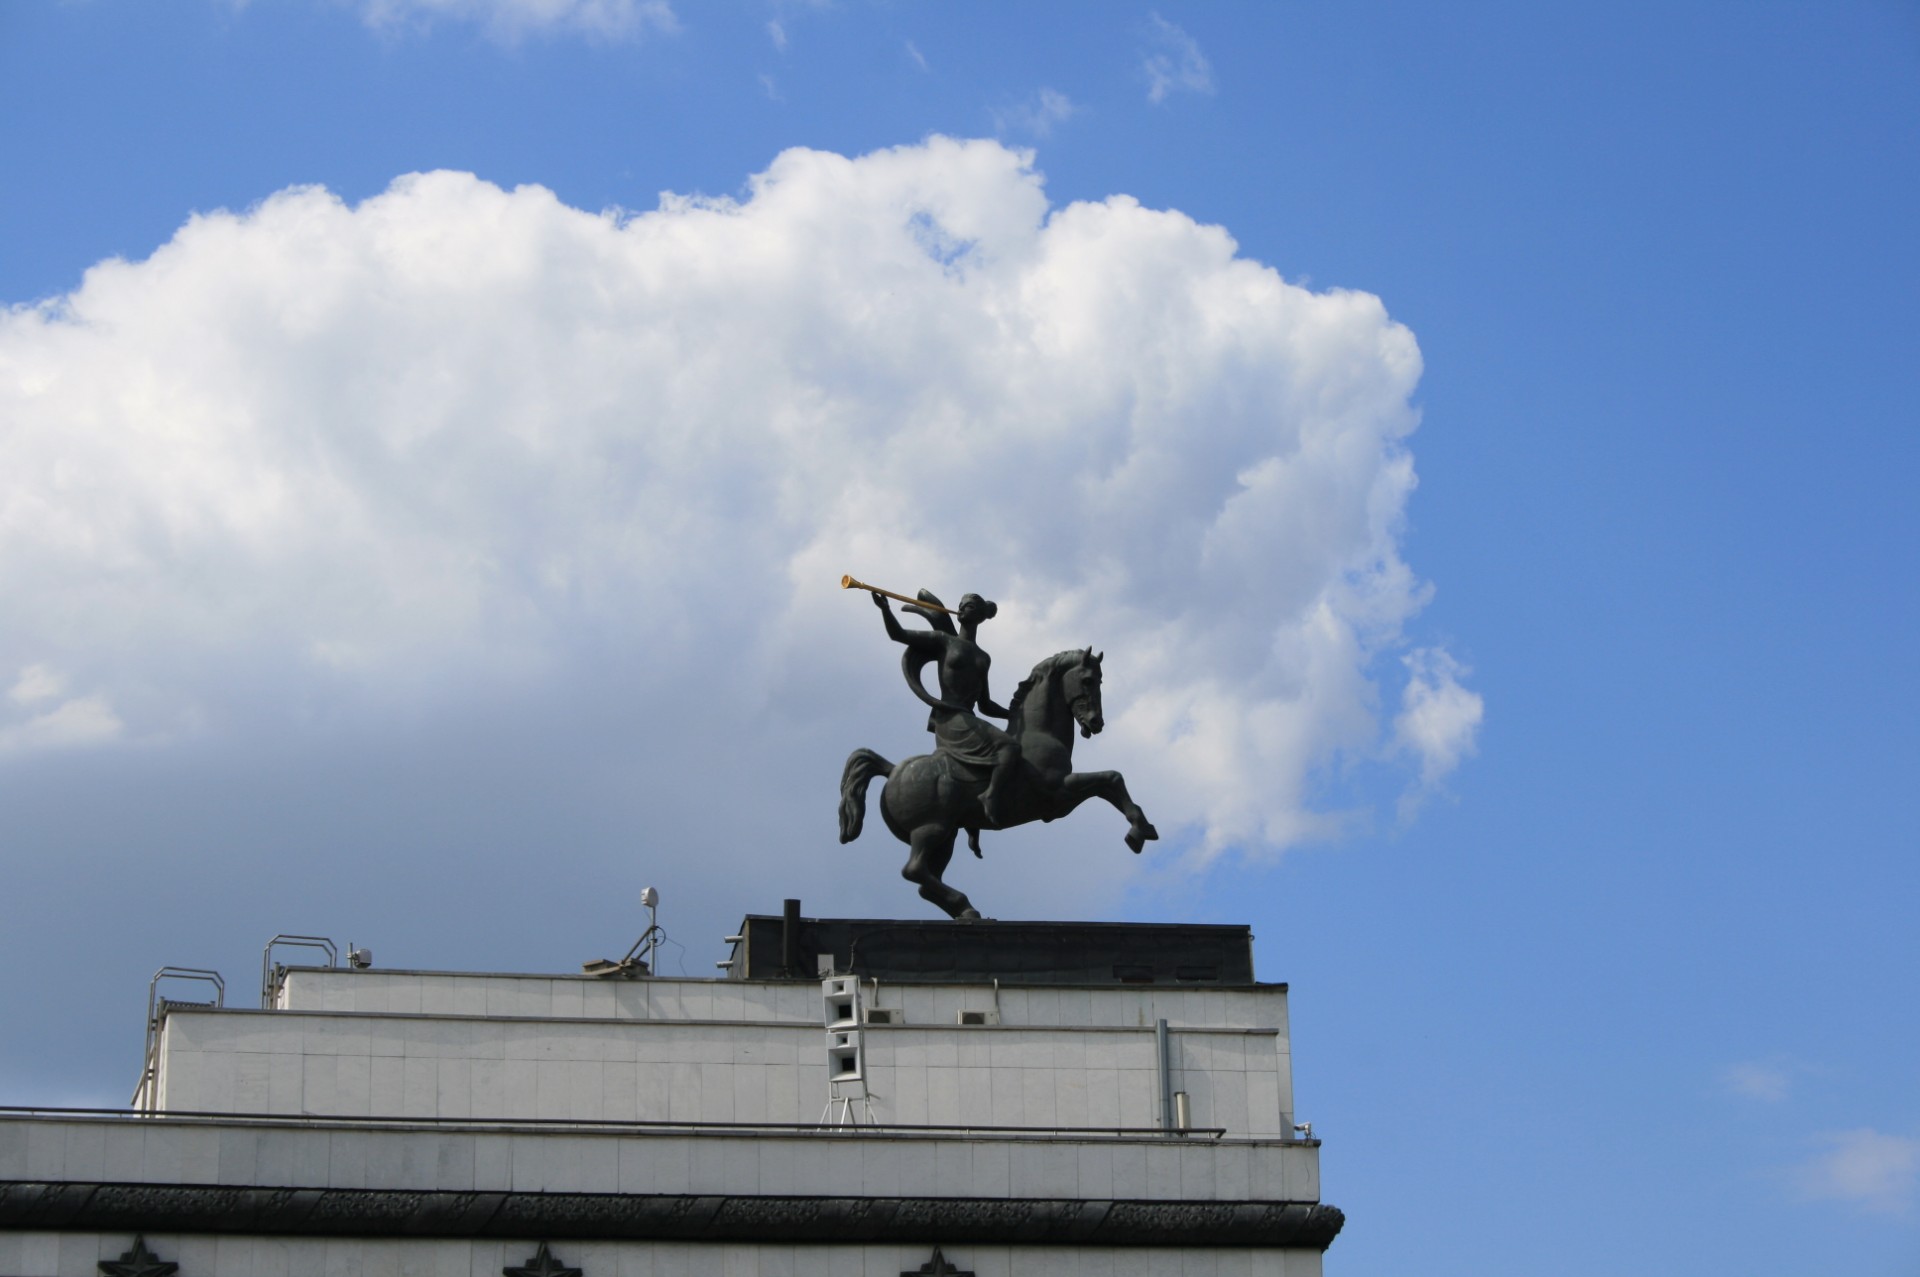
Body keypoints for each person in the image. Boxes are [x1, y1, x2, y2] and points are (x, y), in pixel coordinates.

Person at [873, 589, 1021, 825]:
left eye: (969, 606)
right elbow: (897, 634)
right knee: (1009, 748)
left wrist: (1014, 713)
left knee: (1010, 750)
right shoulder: (944, 640)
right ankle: (991, 796)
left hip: (968, 717)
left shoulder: (984, 657)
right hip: (949, 718)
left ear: (981, 616)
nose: (961, 608)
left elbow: (985, 704)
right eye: (960, 604)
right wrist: (885, 609)